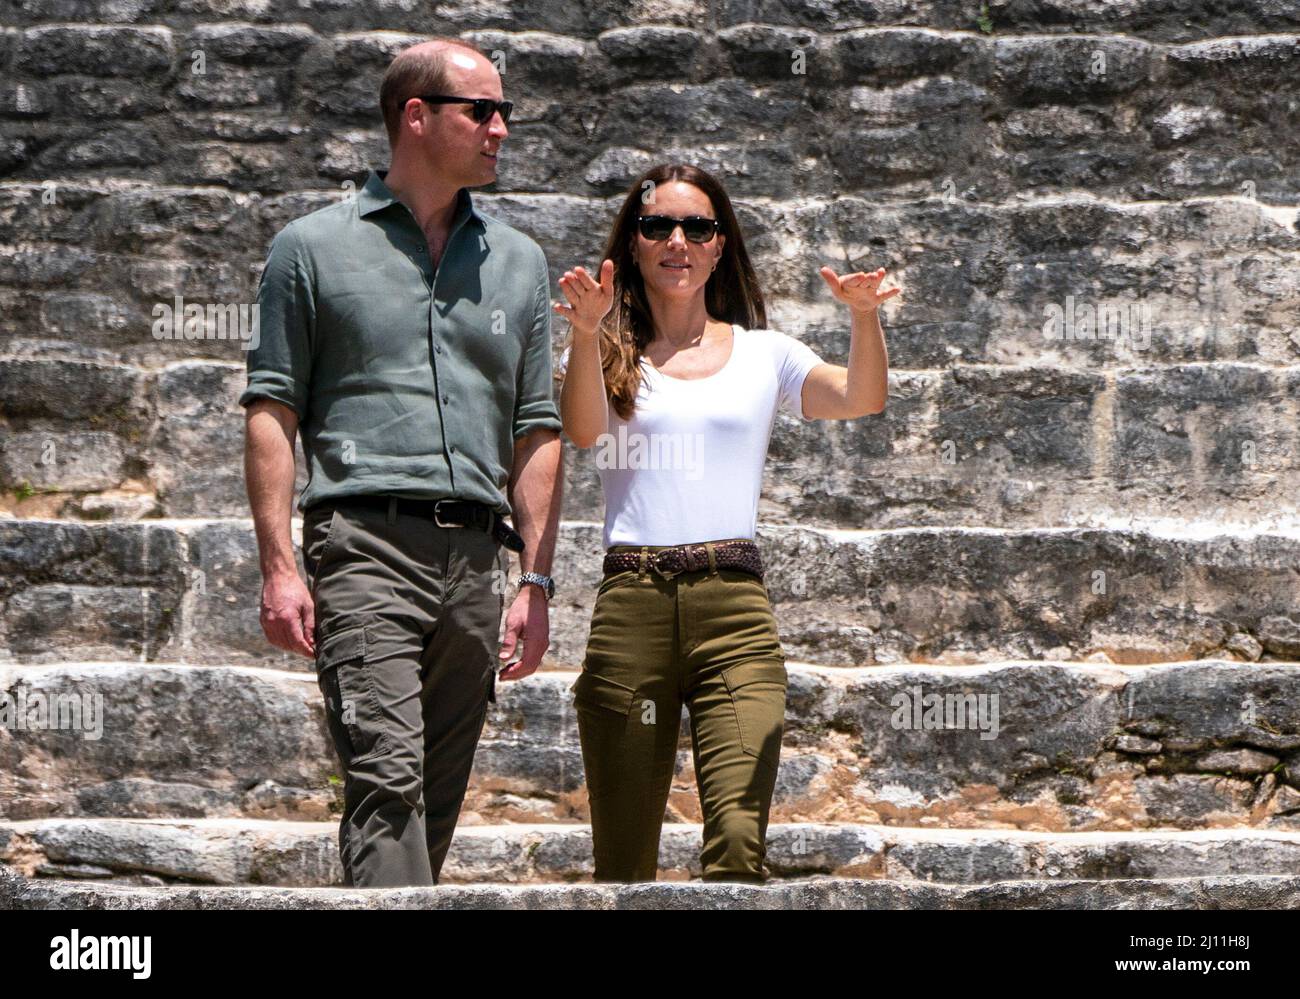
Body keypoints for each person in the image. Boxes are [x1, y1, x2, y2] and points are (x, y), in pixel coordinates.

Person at [240, 37, 563, 887]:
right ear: (414, 116)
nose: (501, 128)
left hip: (476, 561)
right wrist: (279, 567)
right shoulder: (308, 250)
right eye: (482, 110)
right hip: (361, 547)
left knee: (435, 796)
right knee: (387, 781)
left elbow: (536, 429)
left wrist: (536, 580)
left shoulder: (521, 264)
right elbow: (272, 410)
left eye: (505, 112)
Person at [555, 163, 897, 883]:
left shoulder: (764, 355)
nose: (677, 240)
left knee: (739, 845)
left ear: (719, 245)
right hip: (632, 605)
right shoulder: (607, 349)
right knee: (623, 862)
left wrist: (864, 318)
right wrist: (587, 335)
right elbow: (583, 431)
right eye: (657, 226)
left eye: (697, 227)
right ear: (635, 242)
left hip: (733, 610)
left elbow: (861, 397)